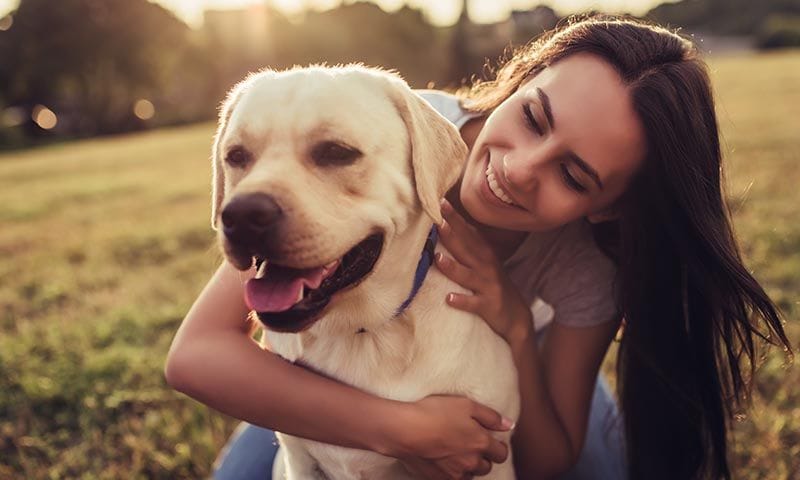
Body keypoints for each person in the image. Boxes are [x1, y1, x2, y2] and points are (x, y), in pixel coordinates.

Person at [165, 14, 792, 480]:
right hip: (334, 365)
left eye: (574, 176)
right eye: (533, 117)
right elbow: (196, 355)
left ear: (608, 205)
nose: (518, 169)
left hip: (531, 362)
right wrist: (400, 430)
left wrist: (518, 328)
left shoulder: (586, 262)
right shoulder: (397, 120)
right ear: (520, 79)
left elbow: (544, 460)